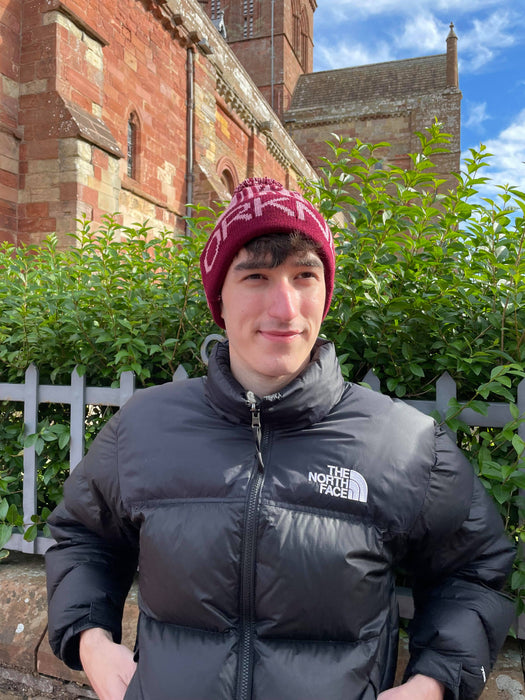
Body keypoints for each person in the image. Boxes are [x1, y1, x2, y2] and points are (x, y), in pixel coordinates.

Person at [46, 177, 515, 700]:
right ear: (219, 298)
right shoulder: (143, 427)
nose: (286, 308)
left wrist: (433, 683)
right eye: (256, 276)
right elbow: (83, 536)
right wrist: (91, 640)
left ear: (325, 293)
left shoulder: (404, 445)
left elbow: (475, 569)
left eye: (304, 275)